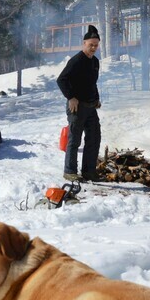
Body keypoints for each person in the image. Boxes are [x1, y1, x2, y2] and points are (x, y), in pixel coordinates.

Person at [57, 25, 102, 182]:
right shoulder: (76, 61)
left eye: (96, 45)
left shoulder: (95, 62)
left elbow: (92, 83)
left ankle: (89, 172)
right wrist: (71, 97)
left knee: (94, 138)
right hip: (76, 107)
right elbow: (61, 80)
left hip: (90, 107)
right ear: (84, 43)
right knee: (74, 140)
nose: (94, 48)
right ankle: (69, 171)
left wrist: (96, 98)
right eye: (91, 45)